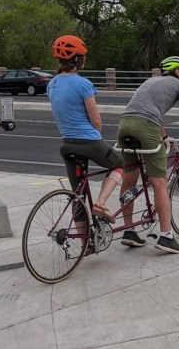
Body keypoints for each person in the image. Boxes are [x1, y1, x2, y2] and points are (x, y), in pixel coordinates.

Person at [116, 56, 179, 253]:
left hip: (124, 125)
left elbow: (147, 112)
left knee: (129, 179)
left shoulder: (150, 81)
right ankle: (166, 236)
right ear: (177, 71)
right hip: (146, 127)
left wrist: (165, 136)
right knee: (159, 183)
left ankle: (129, 231)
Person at [46, 35, 123, 224]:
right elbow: (96, 121)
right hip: (88, 141)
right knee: (119, 164)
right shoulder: (83, 84)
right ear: (77, 59)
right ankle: (100, 203)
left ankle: (84, 244)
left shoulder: (52, 83)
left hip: (67, 144)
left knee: (77, 195)